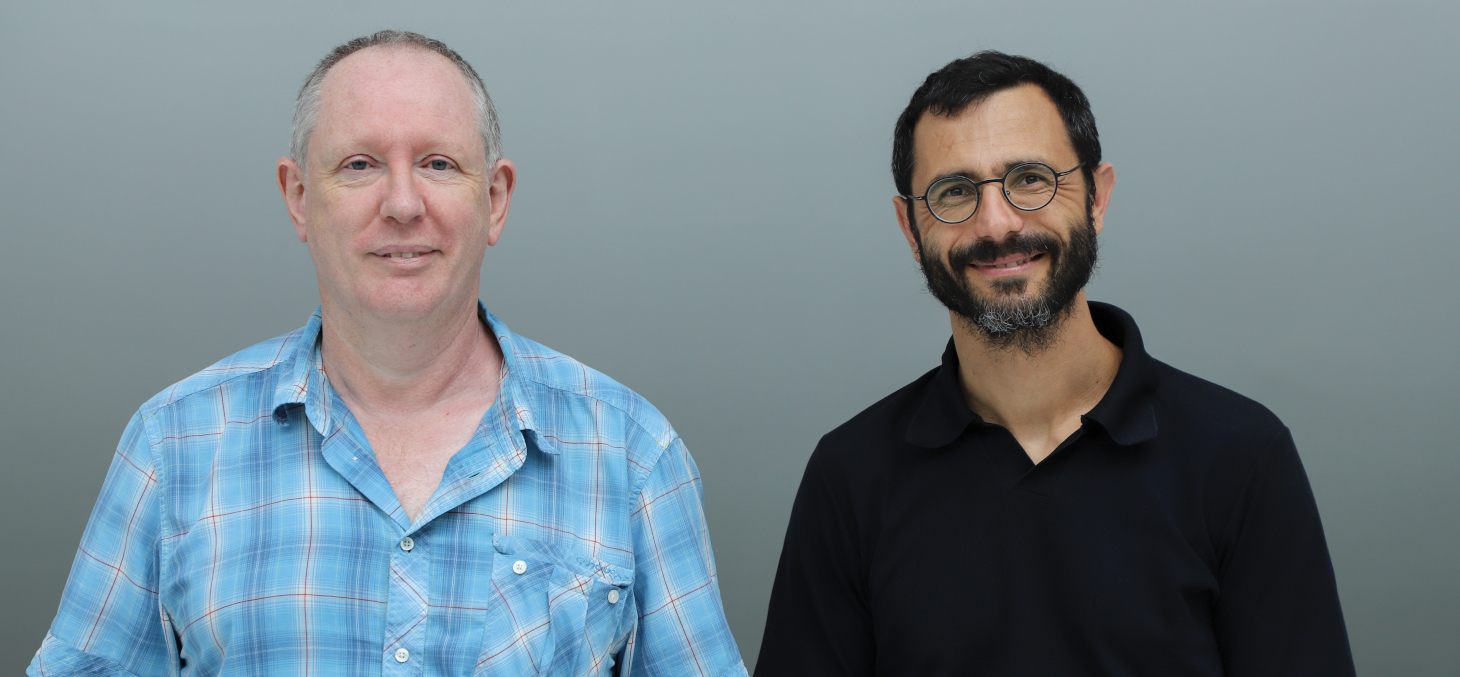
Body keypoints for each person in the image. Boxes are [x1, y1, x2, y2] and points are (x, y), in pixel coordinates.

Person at [31, 30, 746, 677]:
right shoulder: (174, 444)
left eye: (438, 163)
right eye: (361, 164)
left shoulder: (631, 453)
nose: (403, 203)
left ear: (494, 199)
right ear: (299, 196)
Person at [755, 51, 1355, 675]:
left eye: (1031, 179)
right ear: (910, 228)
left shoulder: (1240, 457)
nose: (997, 223)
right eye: (954, 191)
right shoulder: (851, 476)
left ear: (1097, 197)